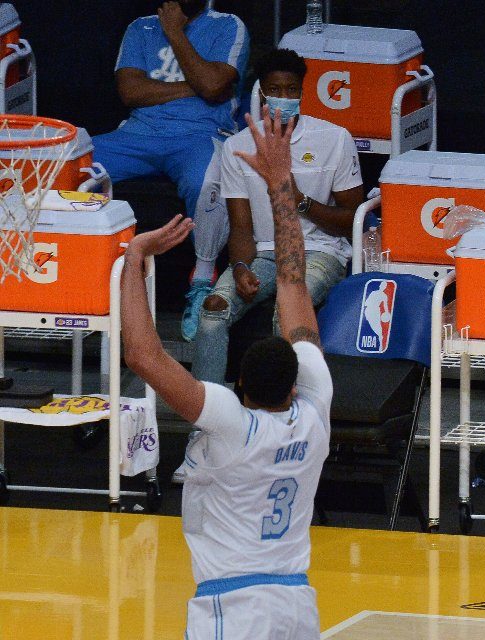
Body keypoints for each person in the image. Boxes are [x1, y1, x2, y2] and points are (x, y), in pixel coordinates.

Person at [120, 106, 330, 639]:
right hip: (297, 607)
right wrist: (282, 182)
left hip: (232, 610)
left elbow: (145, 357)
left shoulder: (232, 425)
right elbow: (294, 282)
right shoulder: (316, 409)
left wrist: (134, 261)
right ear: (295, 381)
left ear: (237, 387)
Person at [190, 48, 362, 388]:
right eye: (275, 90)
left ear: (302, 91)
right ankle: (207, 418)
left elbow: (352, 220)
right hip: (264, 253)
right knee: (212, 309)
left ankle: (280, 413)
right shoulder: (238, 147)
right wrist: (239, 268)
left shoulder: (334, 139)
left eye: (292, 90)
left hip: (320, 251)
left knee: (286, 315)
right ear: (261, 92)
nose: (284, 97)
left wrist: (300, 202)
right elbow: (241, 229)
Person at [93, 0, 250, 341]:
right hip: (138, 134)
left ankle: (202, 280)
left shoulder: (228, 25)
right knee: (73, 163)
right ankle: (83, 278)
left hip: (201, 134)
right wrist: (197, 83)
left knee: (208, 180)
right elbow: (131, 91)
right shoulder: (140, 26)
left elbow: (213, 88)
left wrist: (174, 32)